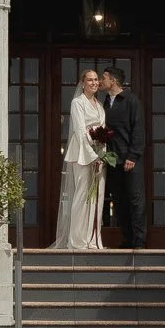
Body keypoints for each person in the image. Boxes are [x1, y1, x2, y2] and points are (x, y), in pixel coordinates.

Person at [54, 69, 105, 250]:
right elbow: (80, 130)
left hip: (99, 154)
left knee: (97, 197)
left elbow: (103, 130)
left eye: (96, 79)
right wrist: (91, 155)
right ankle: (77, 240)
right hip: (82, 154)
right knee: (82, 195)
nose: (94, 83)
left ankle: (93, 239)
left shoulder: (99, 105)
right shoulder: (77, 103)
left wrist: (101, 155)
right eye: (90, 80)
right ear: (83, 83)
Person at [99, 65, 145, 251]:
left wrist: (132, 156)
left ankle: (139, 241)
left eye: (103, 78)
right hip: (112, 160)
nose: (100, 81)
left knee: (135, 199)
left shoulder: (131, 101)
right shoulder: (104, 102)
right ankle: (127, 239)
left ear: (113, 81)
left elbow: (138, 130)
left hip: (130, 160)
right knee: (119, 201)